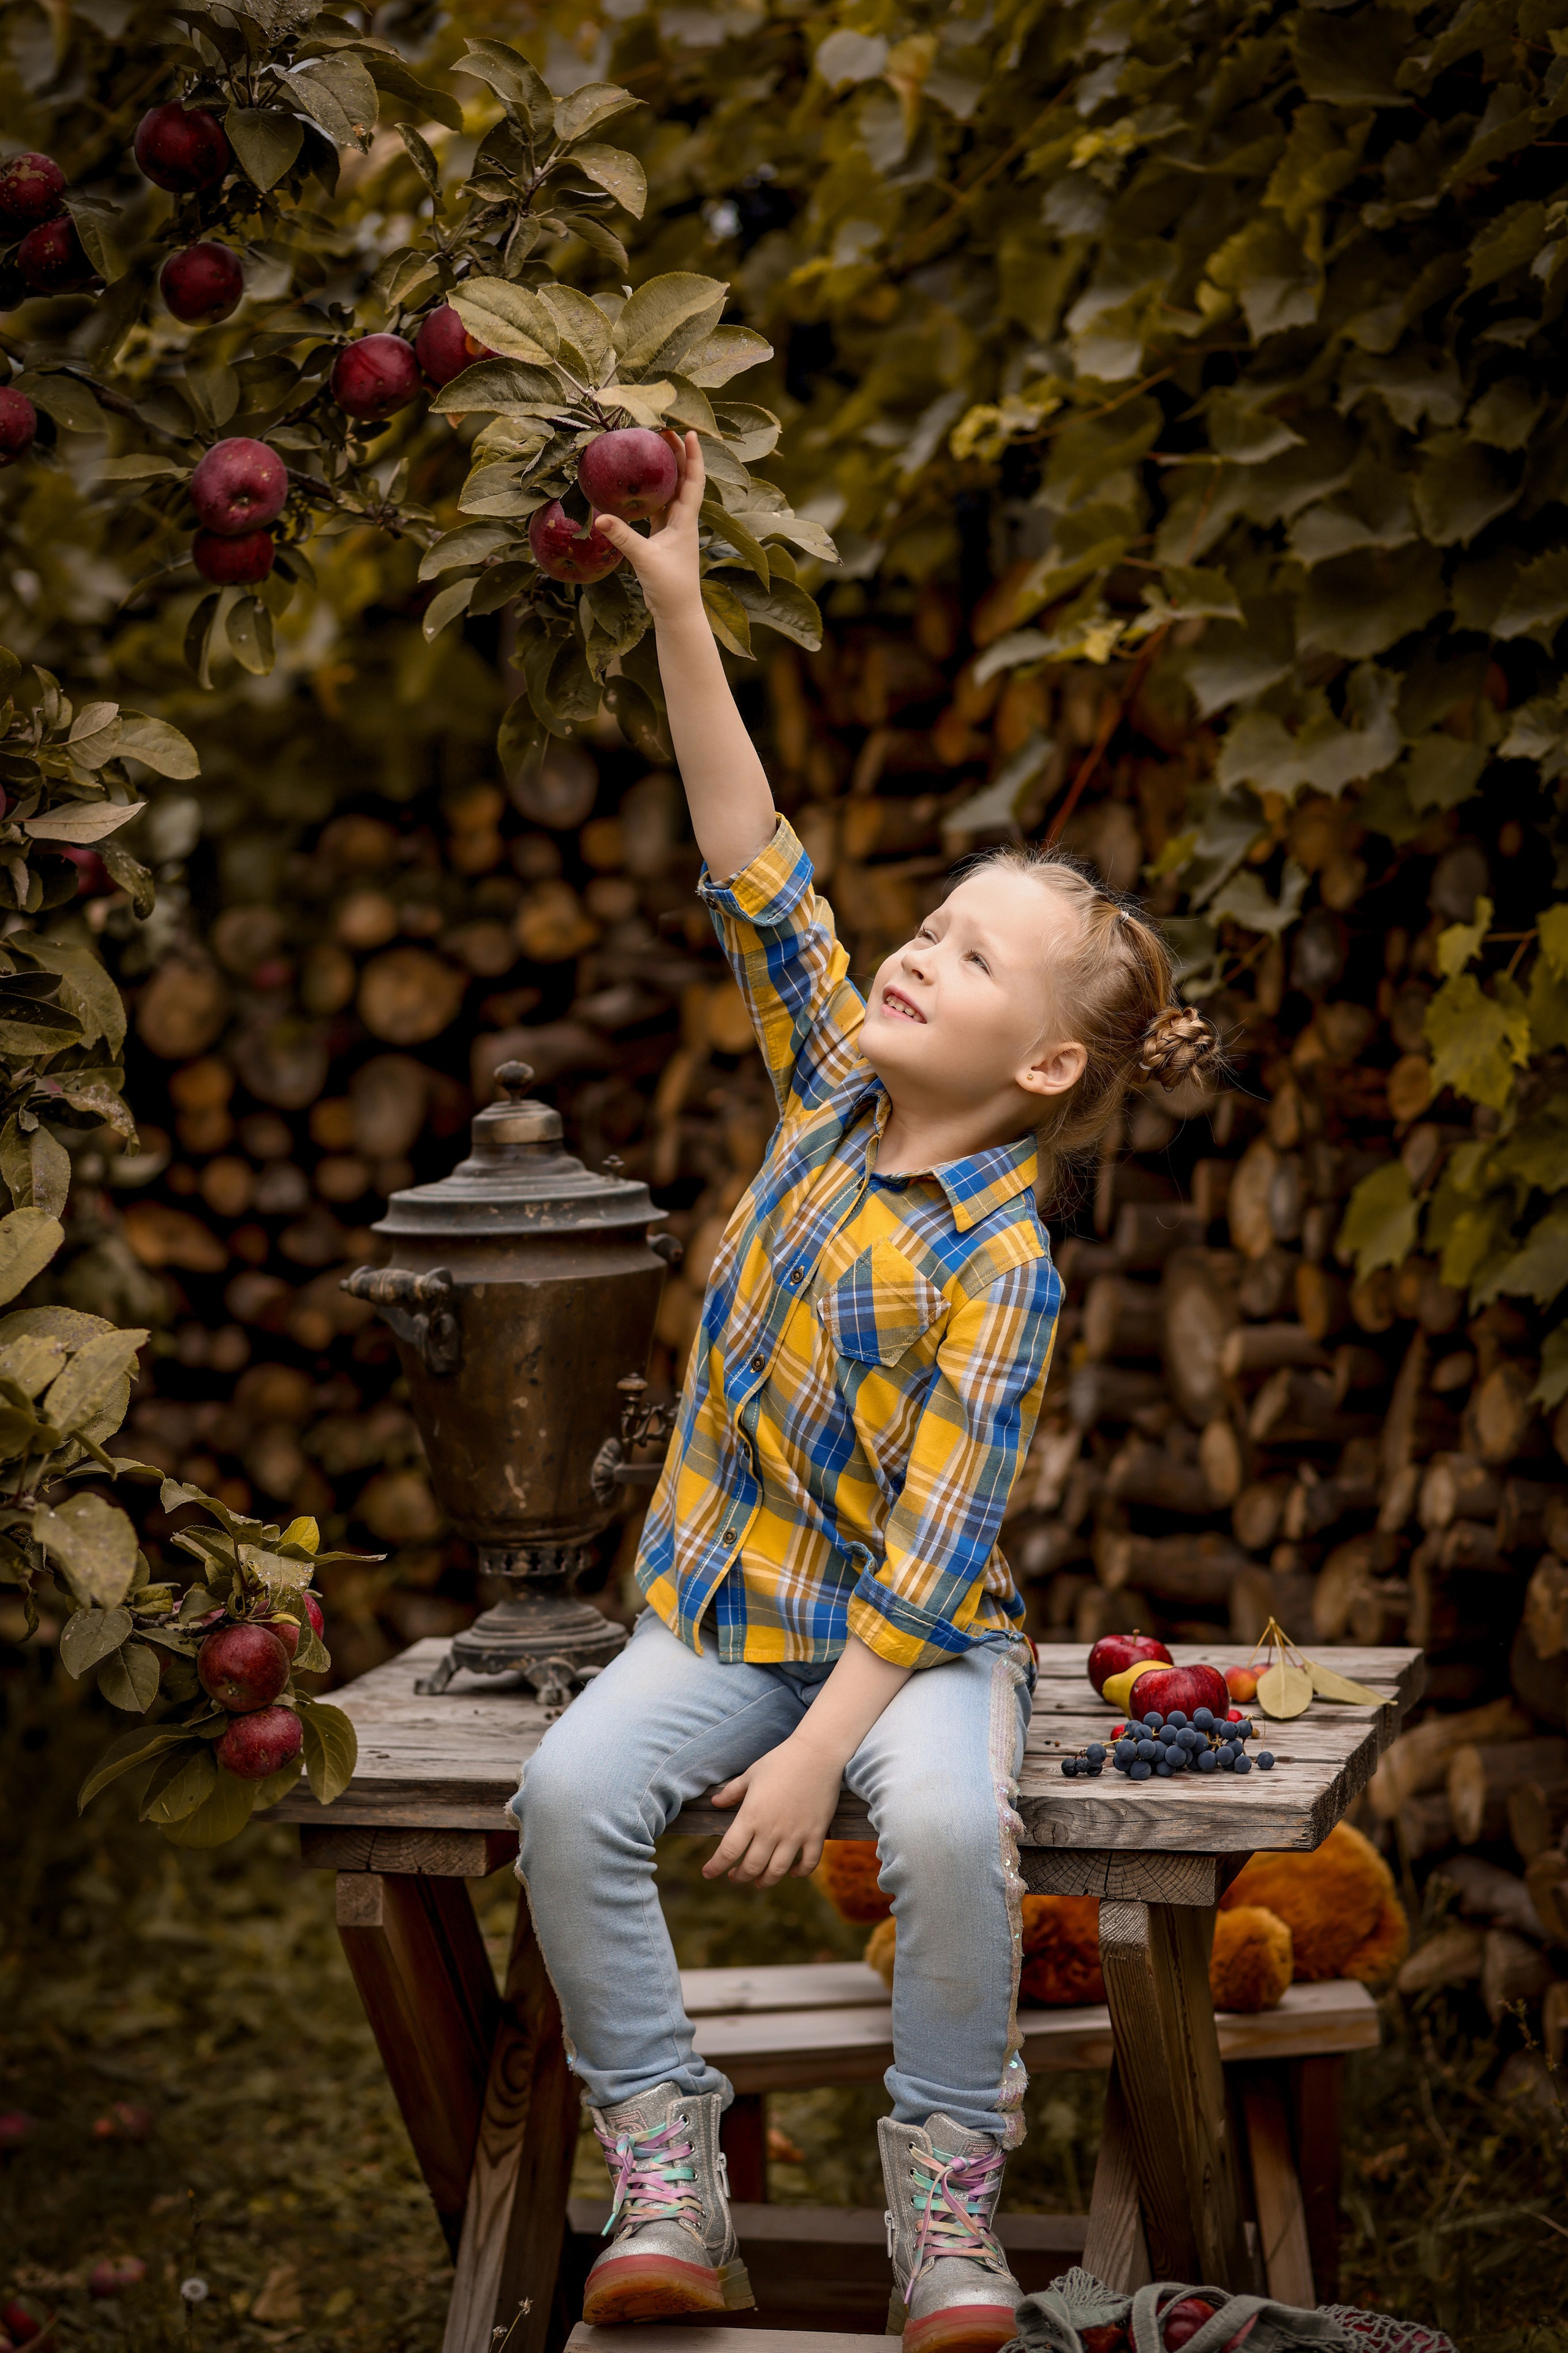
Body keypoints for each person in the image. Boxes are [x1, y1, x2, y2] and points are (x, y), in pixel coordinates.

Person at [510, 434, 1219, 2353]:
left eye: (974, 953)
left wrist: (824, 1748)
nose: (919, 946)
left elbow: (937, 1545)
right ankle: (663, 2159)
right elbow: (758, 858)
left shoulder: (1004, 1262)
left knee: (946, 1836)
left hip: (915, 1648)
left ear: (1051, 1068)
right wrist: (675, 597)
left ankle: (948, 2201)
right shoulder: (830, 1084)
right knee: (568, 1791)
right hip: (727, 1609)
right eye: (928, 925)